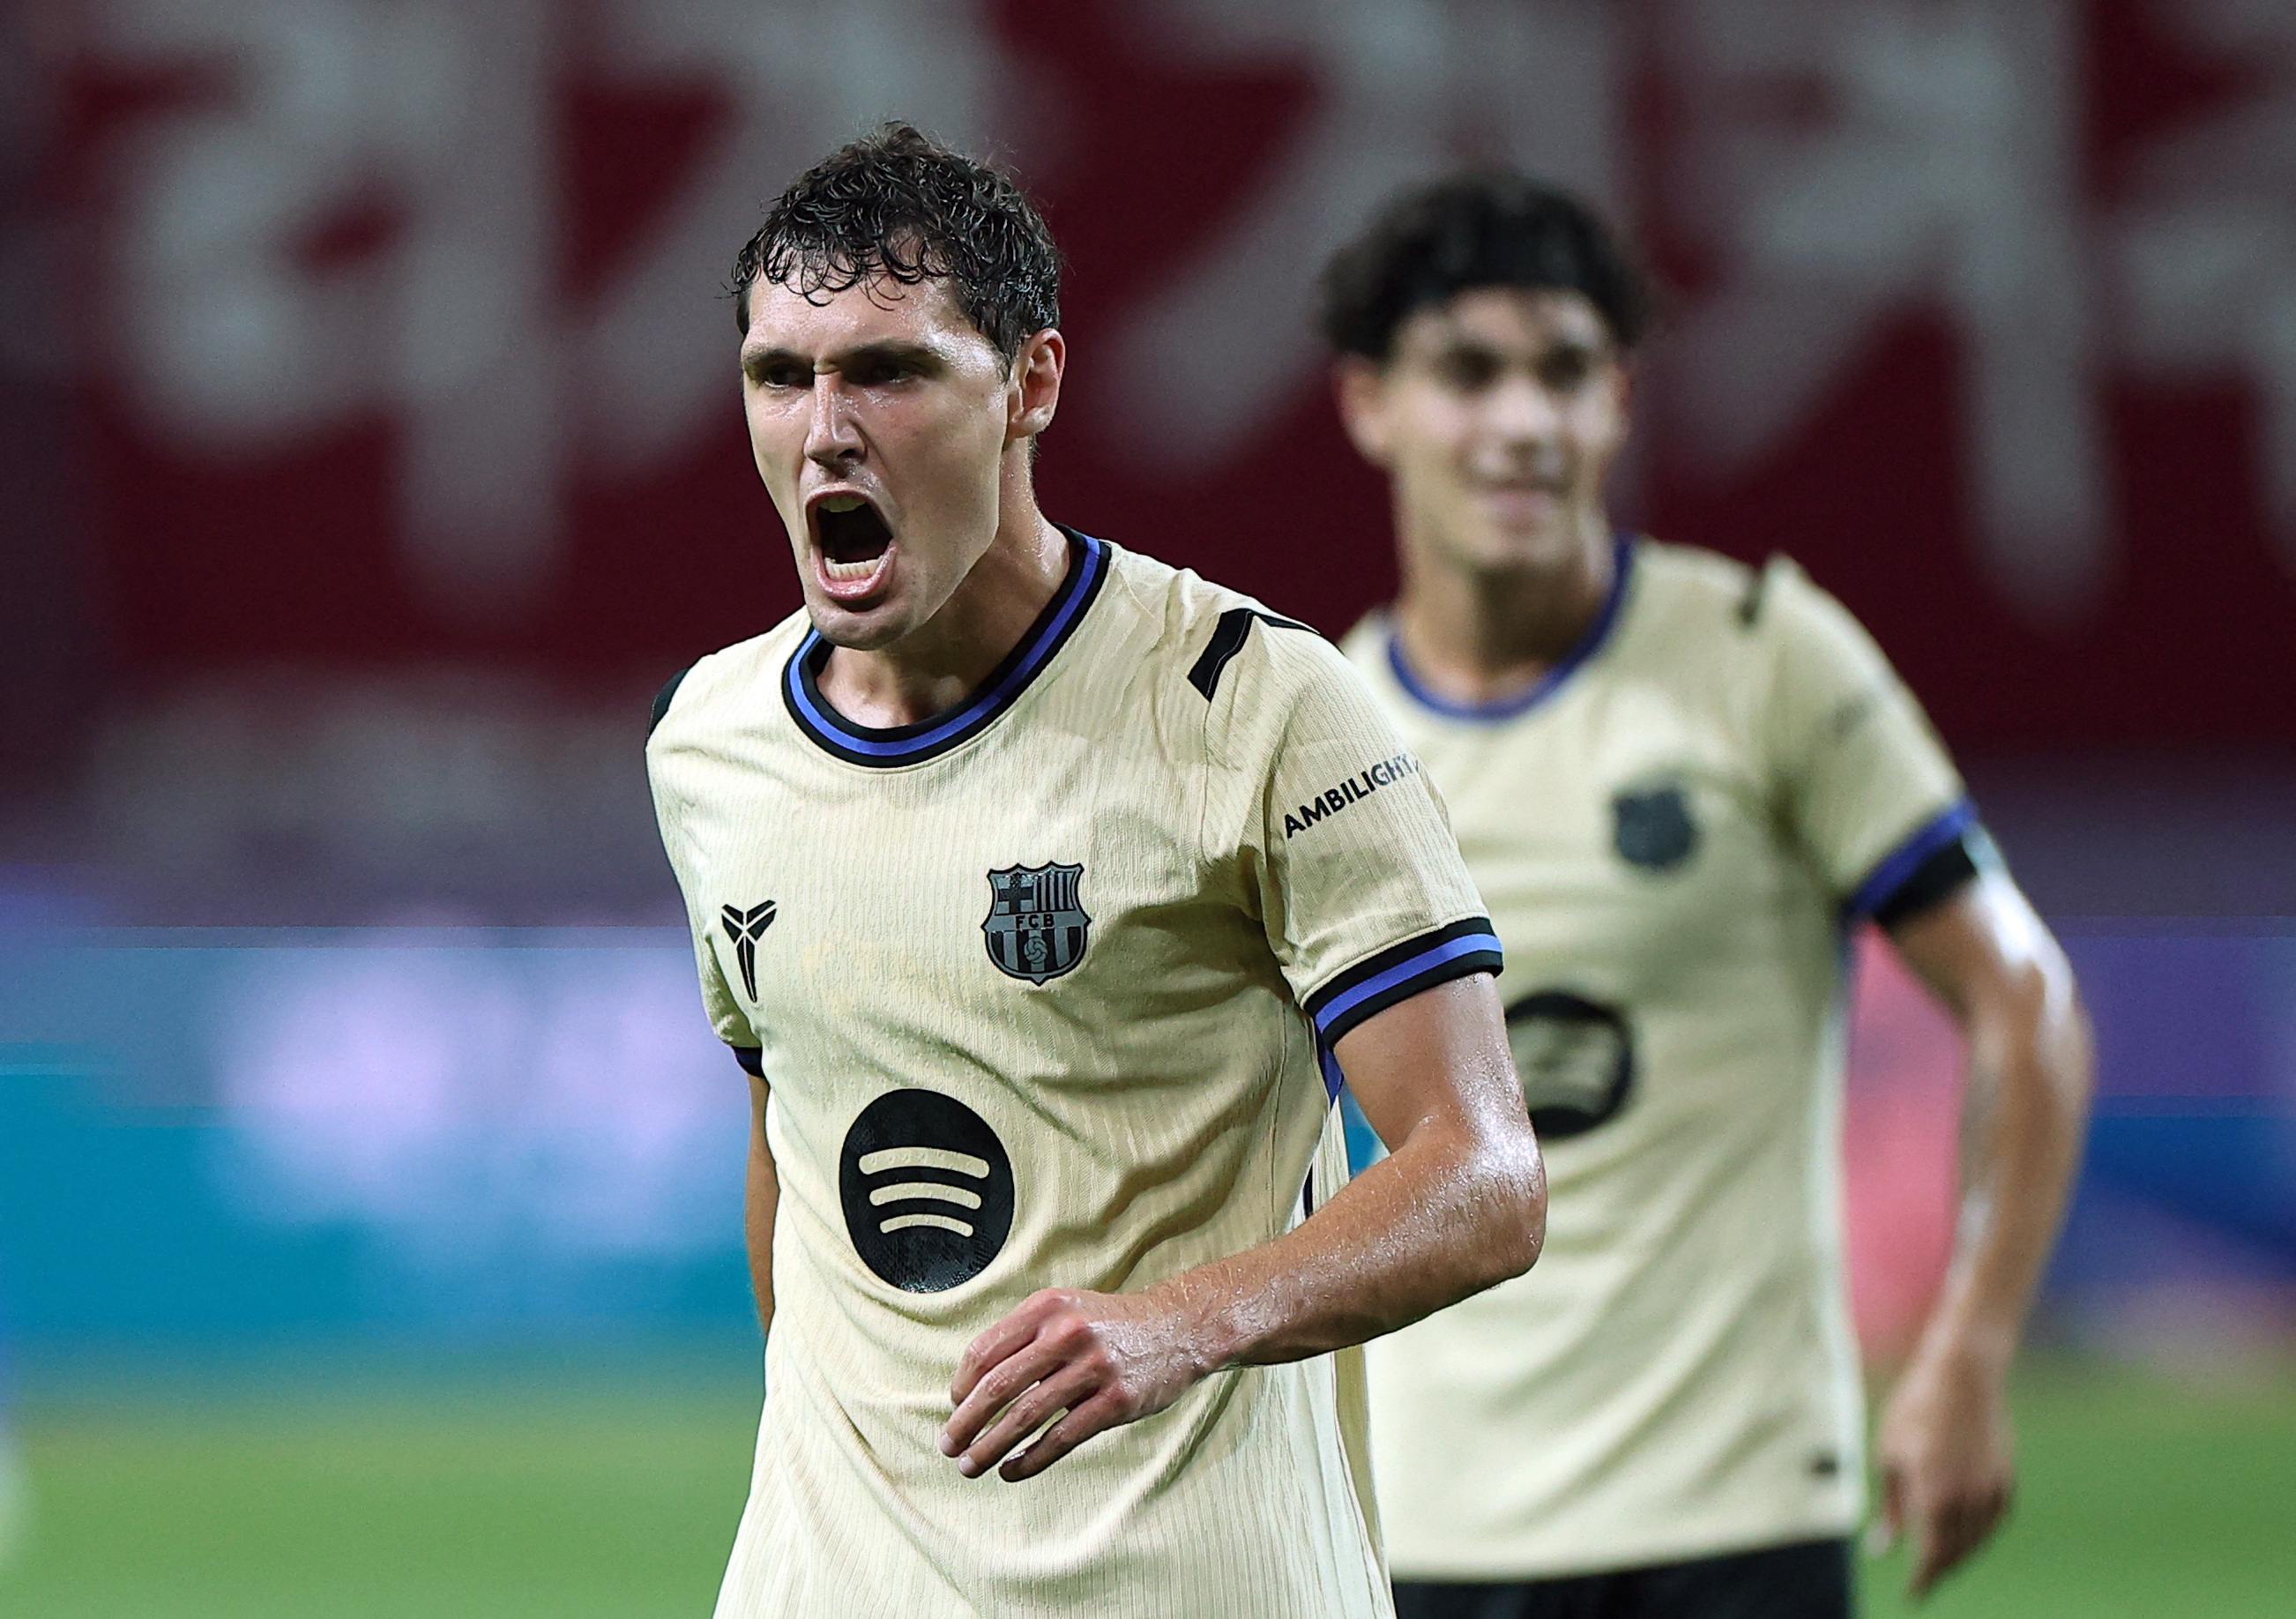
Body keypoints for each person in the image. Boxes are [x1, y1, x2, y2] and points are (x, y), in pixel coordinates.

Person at [645, 126, 1547, 1619]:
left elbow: (1486, 1175)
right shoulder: (716, 741)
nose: (825, 428)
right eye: (779, 375)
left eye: (889, 369)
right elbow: (790, 1127)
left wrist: (1179, 1324)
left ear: (1031, 386)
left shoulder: (1255, 708)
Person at [1318, 172, 2094, 1618]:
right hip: (1418, 1528)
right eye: (1467, 372)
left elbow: (2023, 997)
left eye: (1564, 370)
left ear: (1619, 397)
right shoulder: (1317, 734)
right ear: (1371, 404)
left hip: (1736, 1520)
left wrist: (1970, 1348)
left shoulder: (1764, 656)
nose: (1522, 423)